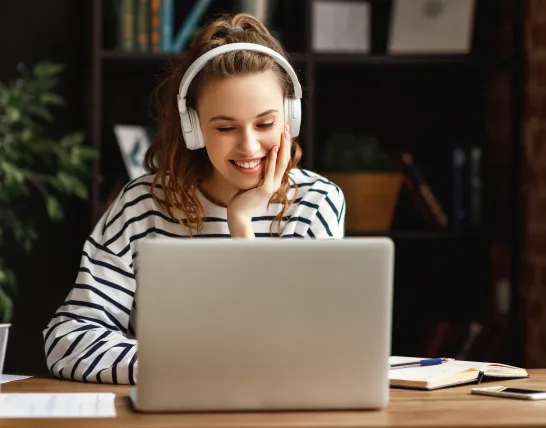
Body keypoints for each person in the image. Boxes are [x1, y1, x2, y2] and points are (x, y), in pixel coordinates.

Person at [43, 13, 346, 385]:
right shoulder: (142, 205)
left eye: (265, 124)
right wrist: (185, 368)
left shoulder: (316, 202)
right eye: (225, 127)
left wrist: (242, 224)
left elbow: (308, 349)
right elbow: (69, 340)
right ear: (193, 127)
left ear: (290, 118)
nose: (249, 146)